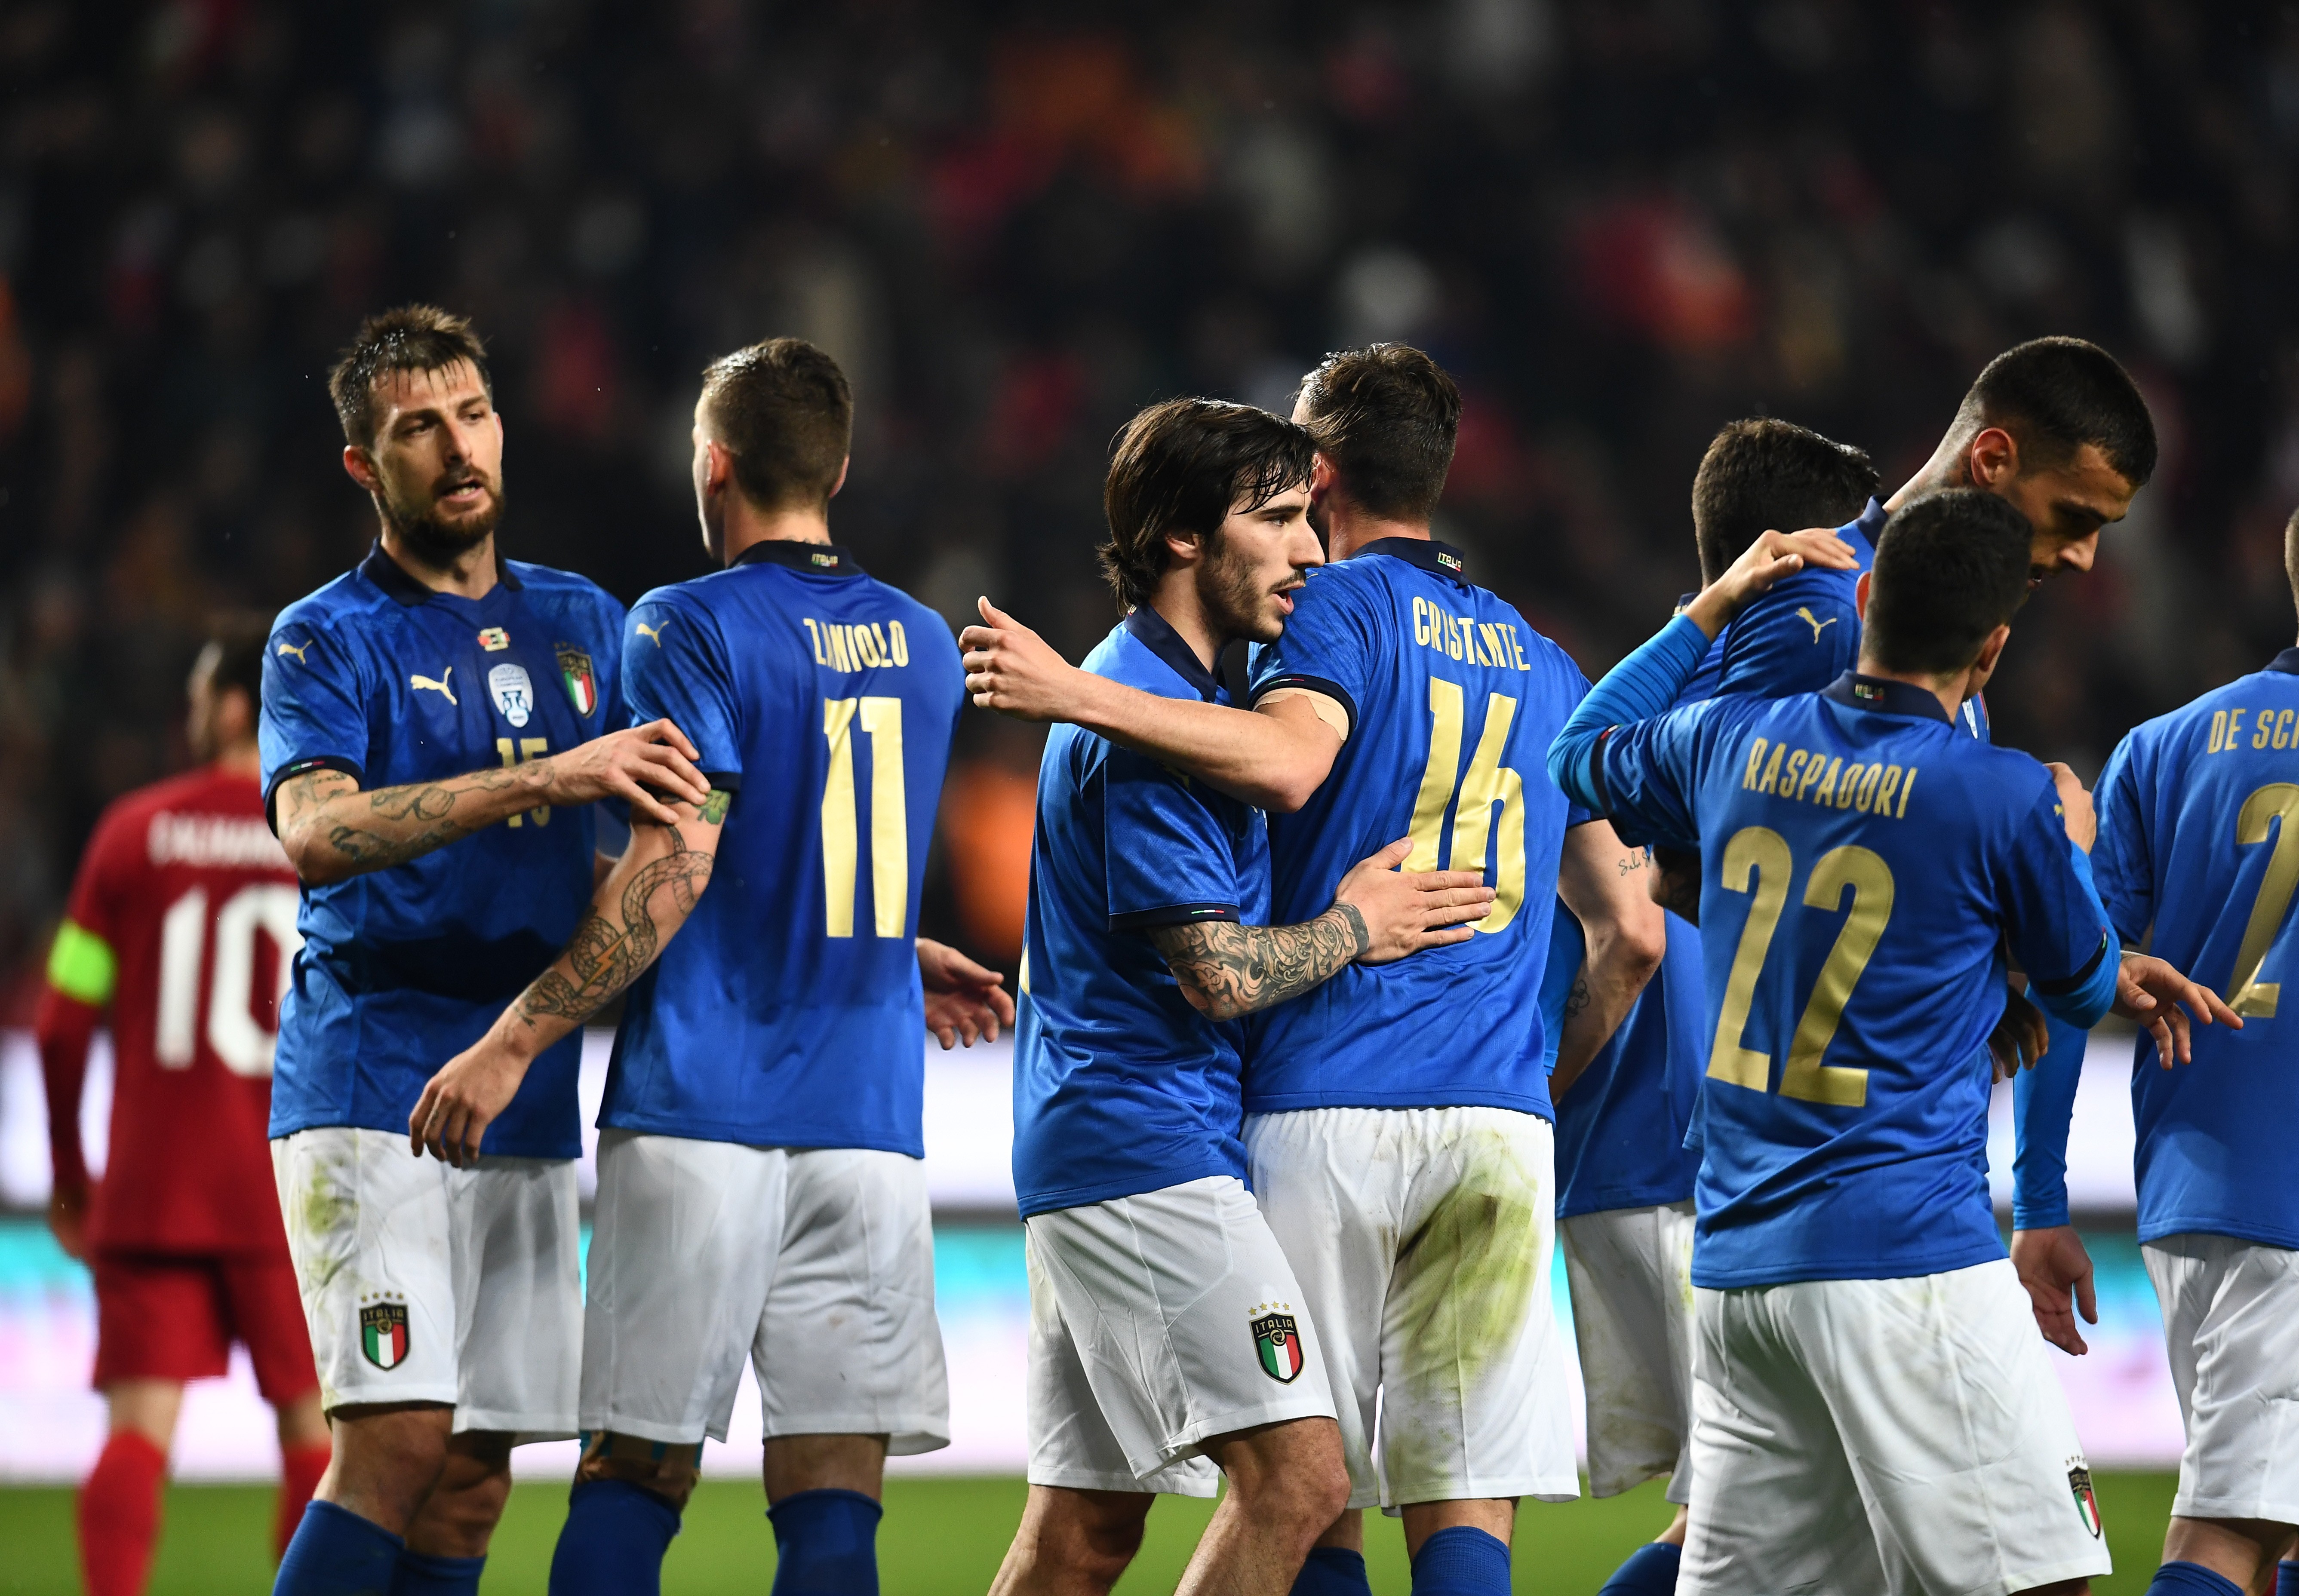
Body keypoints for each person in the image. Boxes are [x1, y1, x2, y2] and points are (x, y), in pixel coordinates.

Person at [965, 346, 1636, 1596]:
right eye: (1276, 520)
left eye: (1305, 514)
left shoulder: (1174, 700)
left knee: (1085, 1534)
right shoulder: (1158, 724)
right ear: (1179, 538)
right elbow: (1219, 972)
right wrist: (1356, 930)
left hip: (1149, 1136)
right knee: (1305, 1484)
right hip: (1154, 1151)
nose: (1309, 552)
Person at [408, 337, 1012, 1596]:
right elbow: (816, 846)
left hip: (702, 1111)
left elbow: (676, 871)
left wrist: (515, 1040)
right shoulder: (916, 639)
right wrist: (887, 947)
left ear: (713, 462)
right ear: (838, 468)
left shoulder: (681, 623)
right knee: (836, 1500)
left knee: (635, 1476)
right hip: (867, 1122)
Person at [1549, 490, 2234, 1596]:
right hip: (1902, 1250)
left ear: (1864, 597)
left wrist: (1709, 610)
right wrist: (2075, 845)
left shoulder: (1732, 735)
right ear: (1996, 644)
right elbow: (2072, 980)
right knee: (2042, 1580)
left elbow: (1577, 753)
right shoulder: (2001, 794)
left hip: (1741, 1268)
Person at [262, 305, 711, 1596]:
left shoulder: (585, 623)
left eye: (472, 414)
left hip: (521, 1082)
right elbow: (316, 832)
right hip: (375, 1073)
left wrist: (884, 947)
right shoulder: (324, 636)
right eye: (418, 429)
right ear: (366, 466)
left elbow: (686, 846)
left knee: (471, 1482)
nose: (457, 448)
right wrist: (544, 780)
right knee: (395, 1444)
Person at [1541, 417, 1879, 1596]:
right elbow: (1636, 933)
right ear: (1801, 552)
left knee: (1744, 1520)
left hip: (1660, 1161)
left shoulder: (1679, 700)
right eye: (1854, 545)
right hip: (1677, 1156)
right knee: (1766, 1515)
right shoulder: (1727, 707)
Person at [2054, 481, 2299, 1596]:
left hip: (2193, 1176)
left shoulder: (2164, 744)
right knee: (2229, 1532)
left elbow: (2079, 970)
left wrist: (2044, 1196)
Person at [38, 617, 330, 1596]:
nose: (189, 715)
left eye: (203, 694)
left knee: (137, 1431)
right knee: (316, 1437)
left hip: (154, 1186)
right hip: (287, 1190)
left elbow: (60, 1022)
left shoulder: (131, 834)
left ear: (236, 705)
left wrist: (75, 1177)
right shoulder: (326, 835)